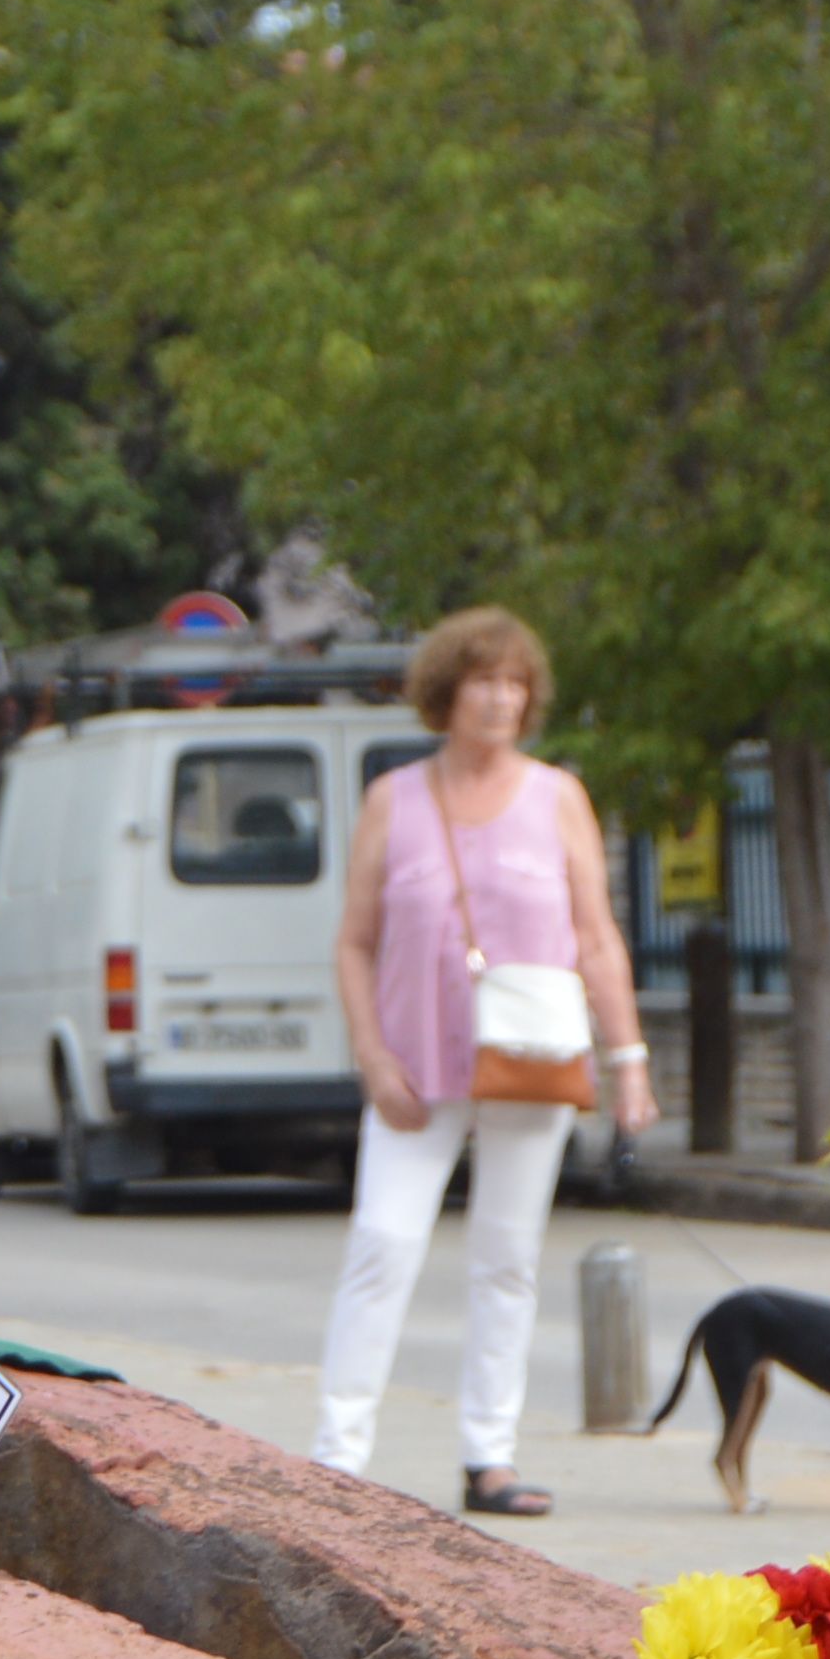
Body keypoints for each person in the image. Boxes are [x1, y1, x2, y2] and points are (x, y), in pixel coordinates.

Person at [313, 605, 653, 1519]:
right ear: (446, 691)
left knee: (509, 1258)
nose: (502, 699)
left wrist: (629, 1060)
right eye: (483, 681)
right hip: (417, 1069)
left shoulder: (557, 797)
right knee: (383, 1245)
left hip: (531, 1059)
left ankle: (489, 1456)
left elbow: (596, 936)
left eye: (516, 683)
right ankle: (336, 1458)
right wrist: (372, 1057)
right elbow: (353, 942)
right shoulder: (395, 799)